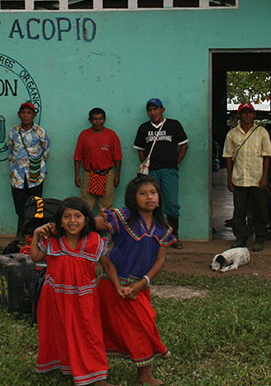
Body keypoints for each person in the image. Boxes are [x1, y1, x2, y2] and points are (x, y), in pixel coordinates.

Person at [96, 175, 175, 386]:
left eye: (153, 193)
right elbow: (90, 224)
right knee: (103, 329)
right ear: (133, 198)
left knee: (143, 324)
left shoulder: (162, 227)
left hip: (138, 287)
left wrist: (142, 283)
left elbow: (160, 259)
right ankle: (96, 375)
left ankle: (144, 375)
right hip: (112, 284)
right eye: (143, 193)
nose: (149, 197)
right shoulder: (122, 217)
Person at [30, 197, 111, 386]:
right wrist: (36, 234)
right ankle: (66, 365)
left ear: (86, 220)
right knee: (59, 331)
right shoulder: (52, 240)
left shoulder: (93, 241)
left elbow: (107, 265)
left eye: (78, 216)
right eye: (67, 216)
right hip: (55, 297)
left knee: (89, 334)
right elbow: (35, 257)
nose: (72, 221)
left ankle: (96, 376)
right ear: (59, 221)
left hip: (84, 299)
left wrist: (117, 285)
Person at [133, 98, 188, 248]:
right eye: (150, 110)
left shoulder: (173, 125)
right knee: (150, 204)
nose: (153, 112)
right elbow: (140, 150)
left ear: (162, 110)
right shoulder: (144, 128)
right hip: (151, 172)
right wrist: (146, 166)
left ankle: (173, 236)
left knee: (171, 203)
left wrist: (175, 163)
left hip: (169, 170)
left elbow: (184, 146)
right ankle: (151, 236)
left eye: (156, 109)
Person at [222, 102, 271, 251]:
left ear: (254, 114)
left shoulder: (262, 132)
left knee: (260, 210)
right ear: (239, 115)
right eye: (244, 113)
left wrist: (264, 177)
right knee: (239, 211)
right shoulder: (232, 134)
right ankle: (240, 238)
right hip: (239, 179)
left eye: (250, 112)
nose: (247, 115)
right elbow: (228, 157)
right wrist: (229, 179)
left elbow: (267, 156)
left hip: (257, 179)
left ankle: (260, 238)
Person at [8, 102, 50, 240]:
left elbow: (46, 151)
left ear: (34, 115)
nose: (26, 115)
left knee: (36, 206)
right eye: (23, 113)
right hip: (17, 177)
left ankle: (34, 235)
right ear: (19, 115)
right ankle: (21, 236)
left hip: (35, 176)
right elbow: (10, 151)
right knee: (20, 207)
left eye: (29, 113)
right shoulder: (13, 131)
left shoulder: (40, 132)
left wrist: (40, 167)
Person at [74, 107, 122, 214]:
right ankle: (85, 229)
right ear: (90, 120)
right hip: (89, 174)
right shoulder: (84, 135)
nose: (98, 122)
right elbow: (77, 157)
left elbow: (117, 158)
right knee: (86, 205)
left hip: (107, 174)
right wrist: (77, 175)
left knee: (106, 206)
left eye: (100, 119)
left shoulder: (111, 135)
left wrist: (117, 175)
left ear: (104, 120)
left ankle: (103, 229)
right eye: (95, 119)